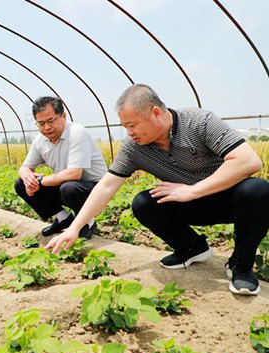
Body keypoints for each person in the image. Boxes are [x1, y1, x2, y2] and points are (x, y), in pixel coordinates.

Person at [47, 84, 269, 295]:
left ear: (155, 113)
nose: (129, 133)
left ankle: (241, 265)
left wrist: (193, 190)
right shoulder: (134, 148)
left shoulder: (199, 122)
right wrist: (75, 227)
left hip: (227, 200)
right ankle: (192, 248)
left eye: (132, 125)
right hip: (189, 205)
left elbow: (248, 161)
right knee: (143, 203)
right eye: (125, 127)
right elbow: (106, 186)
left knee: (258, 190)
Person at [15, 96, 108, 237]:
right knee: (20, 183)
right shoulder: (40, 140)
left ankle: (87, 221)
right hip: (69, 184)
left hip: (96, 188)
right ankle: (63, 218)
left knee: (69, 188)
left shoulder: (76, 132)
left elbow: (74, 174)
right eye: (41, 123)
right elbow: (24, 167)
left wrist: (38, 182)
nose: (46, 127)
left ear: (63, 116)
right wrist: (28, 178)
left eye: (51, 120)